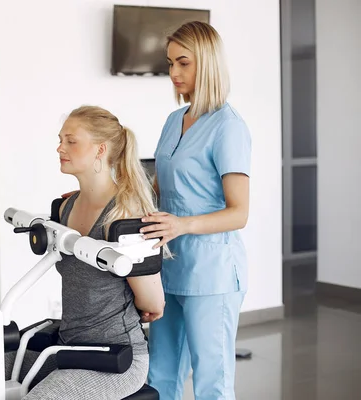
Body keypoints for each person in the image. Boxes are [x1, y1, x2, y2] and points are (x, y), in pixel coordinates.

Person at [5, 105, 168, 400]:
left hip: (115, 359)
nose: (59, 147)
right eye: (60, 139)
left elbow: (154, 303)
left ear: (100, 149)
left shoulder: (124, 213)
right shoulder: (66, 207)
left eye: (71, 141)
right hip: (68, 347)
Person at [140, 21, 252, 400]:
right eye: (170, 63)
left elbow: (239, 213)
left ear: (206, 63)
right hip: (168, 268)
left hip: (212, 274)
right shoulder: (175, 121)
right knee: (160, 376)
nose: (173, 73)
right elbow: (155, 191)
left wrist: (182, 224)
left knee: (211, 384)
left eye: (183, 63)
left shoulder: (228, 127)